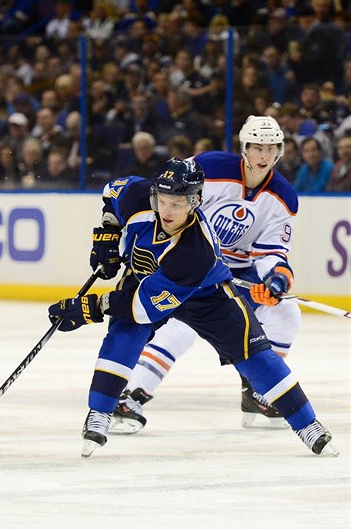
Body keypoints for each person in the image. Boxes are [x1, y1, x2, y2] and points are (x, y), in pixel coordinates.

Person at [47, 155, 337, 459]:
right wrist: (108, 232)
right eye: (162, 199)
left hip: (207, 296)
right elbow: (113, 192)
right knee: (123, 334)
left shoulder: (196, 250)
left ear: (196, 200)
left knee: (254, 354)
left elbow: (142, 308)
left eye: (177, 203)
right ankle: (100, 412)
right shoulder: (139, 195)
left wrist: (90, 308)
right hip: (147, 280)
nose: (166, 210)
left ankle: (308, 425)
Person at [105, 116, 302, 434]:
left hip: (235, 271)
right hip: (185, 261)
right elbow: (164, 195)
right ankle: (130, 397)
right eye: (256, 147)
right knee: (183, 327)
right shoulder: (209, 167)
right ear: (244, 148)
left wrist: (274, 280)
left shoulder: (283, 196)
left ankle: (257, 393)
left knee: (287, 314)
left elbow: (271, 253)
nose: (263, 155)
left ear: (279, 150)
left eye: (270, 148)